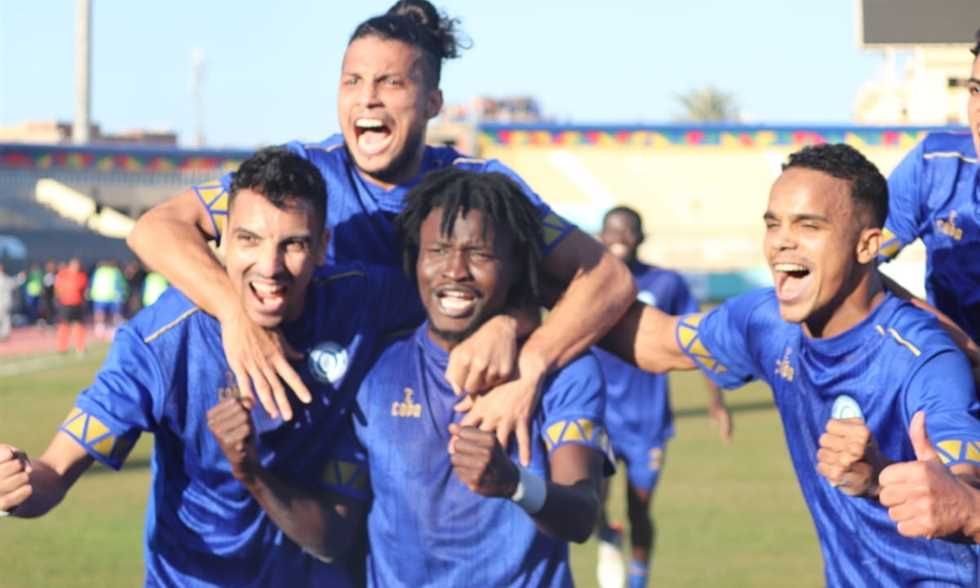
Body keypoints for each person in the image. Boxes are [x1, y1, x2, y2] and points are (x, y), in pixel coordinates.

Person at [125, 0, 634, 462]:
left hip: (435, 446)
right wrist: (236, 314)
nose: (367, 99)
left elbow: (607, 280)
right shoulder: (306, 175)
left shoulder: (481, 191)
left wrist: (526, 349)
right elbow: (156, 228)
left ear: (432, 101)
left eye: (390, 83)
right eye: (352, 81)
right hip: (317, 447)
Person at [0, 148, 422, 586]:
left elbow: (449, 301)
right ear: (221, 241)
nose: (270, 267)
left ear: (322, 247)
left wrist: (478, 338)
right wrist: (18, 485)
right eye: (249, 240)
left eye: (293, 244)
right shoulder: (164, 340)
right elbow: (55, 472)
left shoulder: (357, 300)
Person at [601, 143, 980, 586]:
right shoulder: (767, 323)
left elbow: (964, 477)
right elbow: (657, 341)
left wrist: (904, 485)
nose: (782, 240)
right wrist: (548, 277)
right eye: (773, 223)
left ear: (867, 245)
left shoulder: (925, 358)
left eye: (809, 225)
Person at [593, 206, 732, 588]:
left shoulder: (667, 283)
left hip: (647, 423)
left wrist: (717, 402)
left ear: (641, 237)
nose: (620, 238)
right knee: (590, 504)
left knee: (639, 511)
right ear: (601, 236)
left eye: (628, 231)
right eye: (612, 231)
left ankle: (637, 582)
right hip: (599, 418)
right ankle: (606, 534)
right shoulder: (588, 280)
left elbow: (697, 340)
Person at [878, 29, 980, 351]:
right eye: (976, 91)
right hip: (955, 372)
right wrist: (957, 345)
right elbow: (853, 264)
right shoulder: (934, 165)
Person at [53, 257, 88, 354]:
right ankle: (62, 347)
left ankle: (80, 347)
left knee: (79, 326)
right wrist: (59, 298)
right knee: (64, 326)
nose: (76, 267)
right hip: (66, 304)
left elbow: (84, 290)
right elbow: (57, 287)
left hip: (77, 304)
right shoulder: (63, 274)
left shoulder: (81, 275)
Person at [89, 259, 127, 340]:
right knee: (115, 315)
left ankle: (100, 330)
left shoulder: (99, 271)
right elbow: (121, 284)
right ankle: (113, 331)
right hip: (113, 297)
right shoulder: (115, 272)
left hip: (100, 296)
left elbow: (92, 283)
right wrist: (123, 295)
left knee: (101, 314)